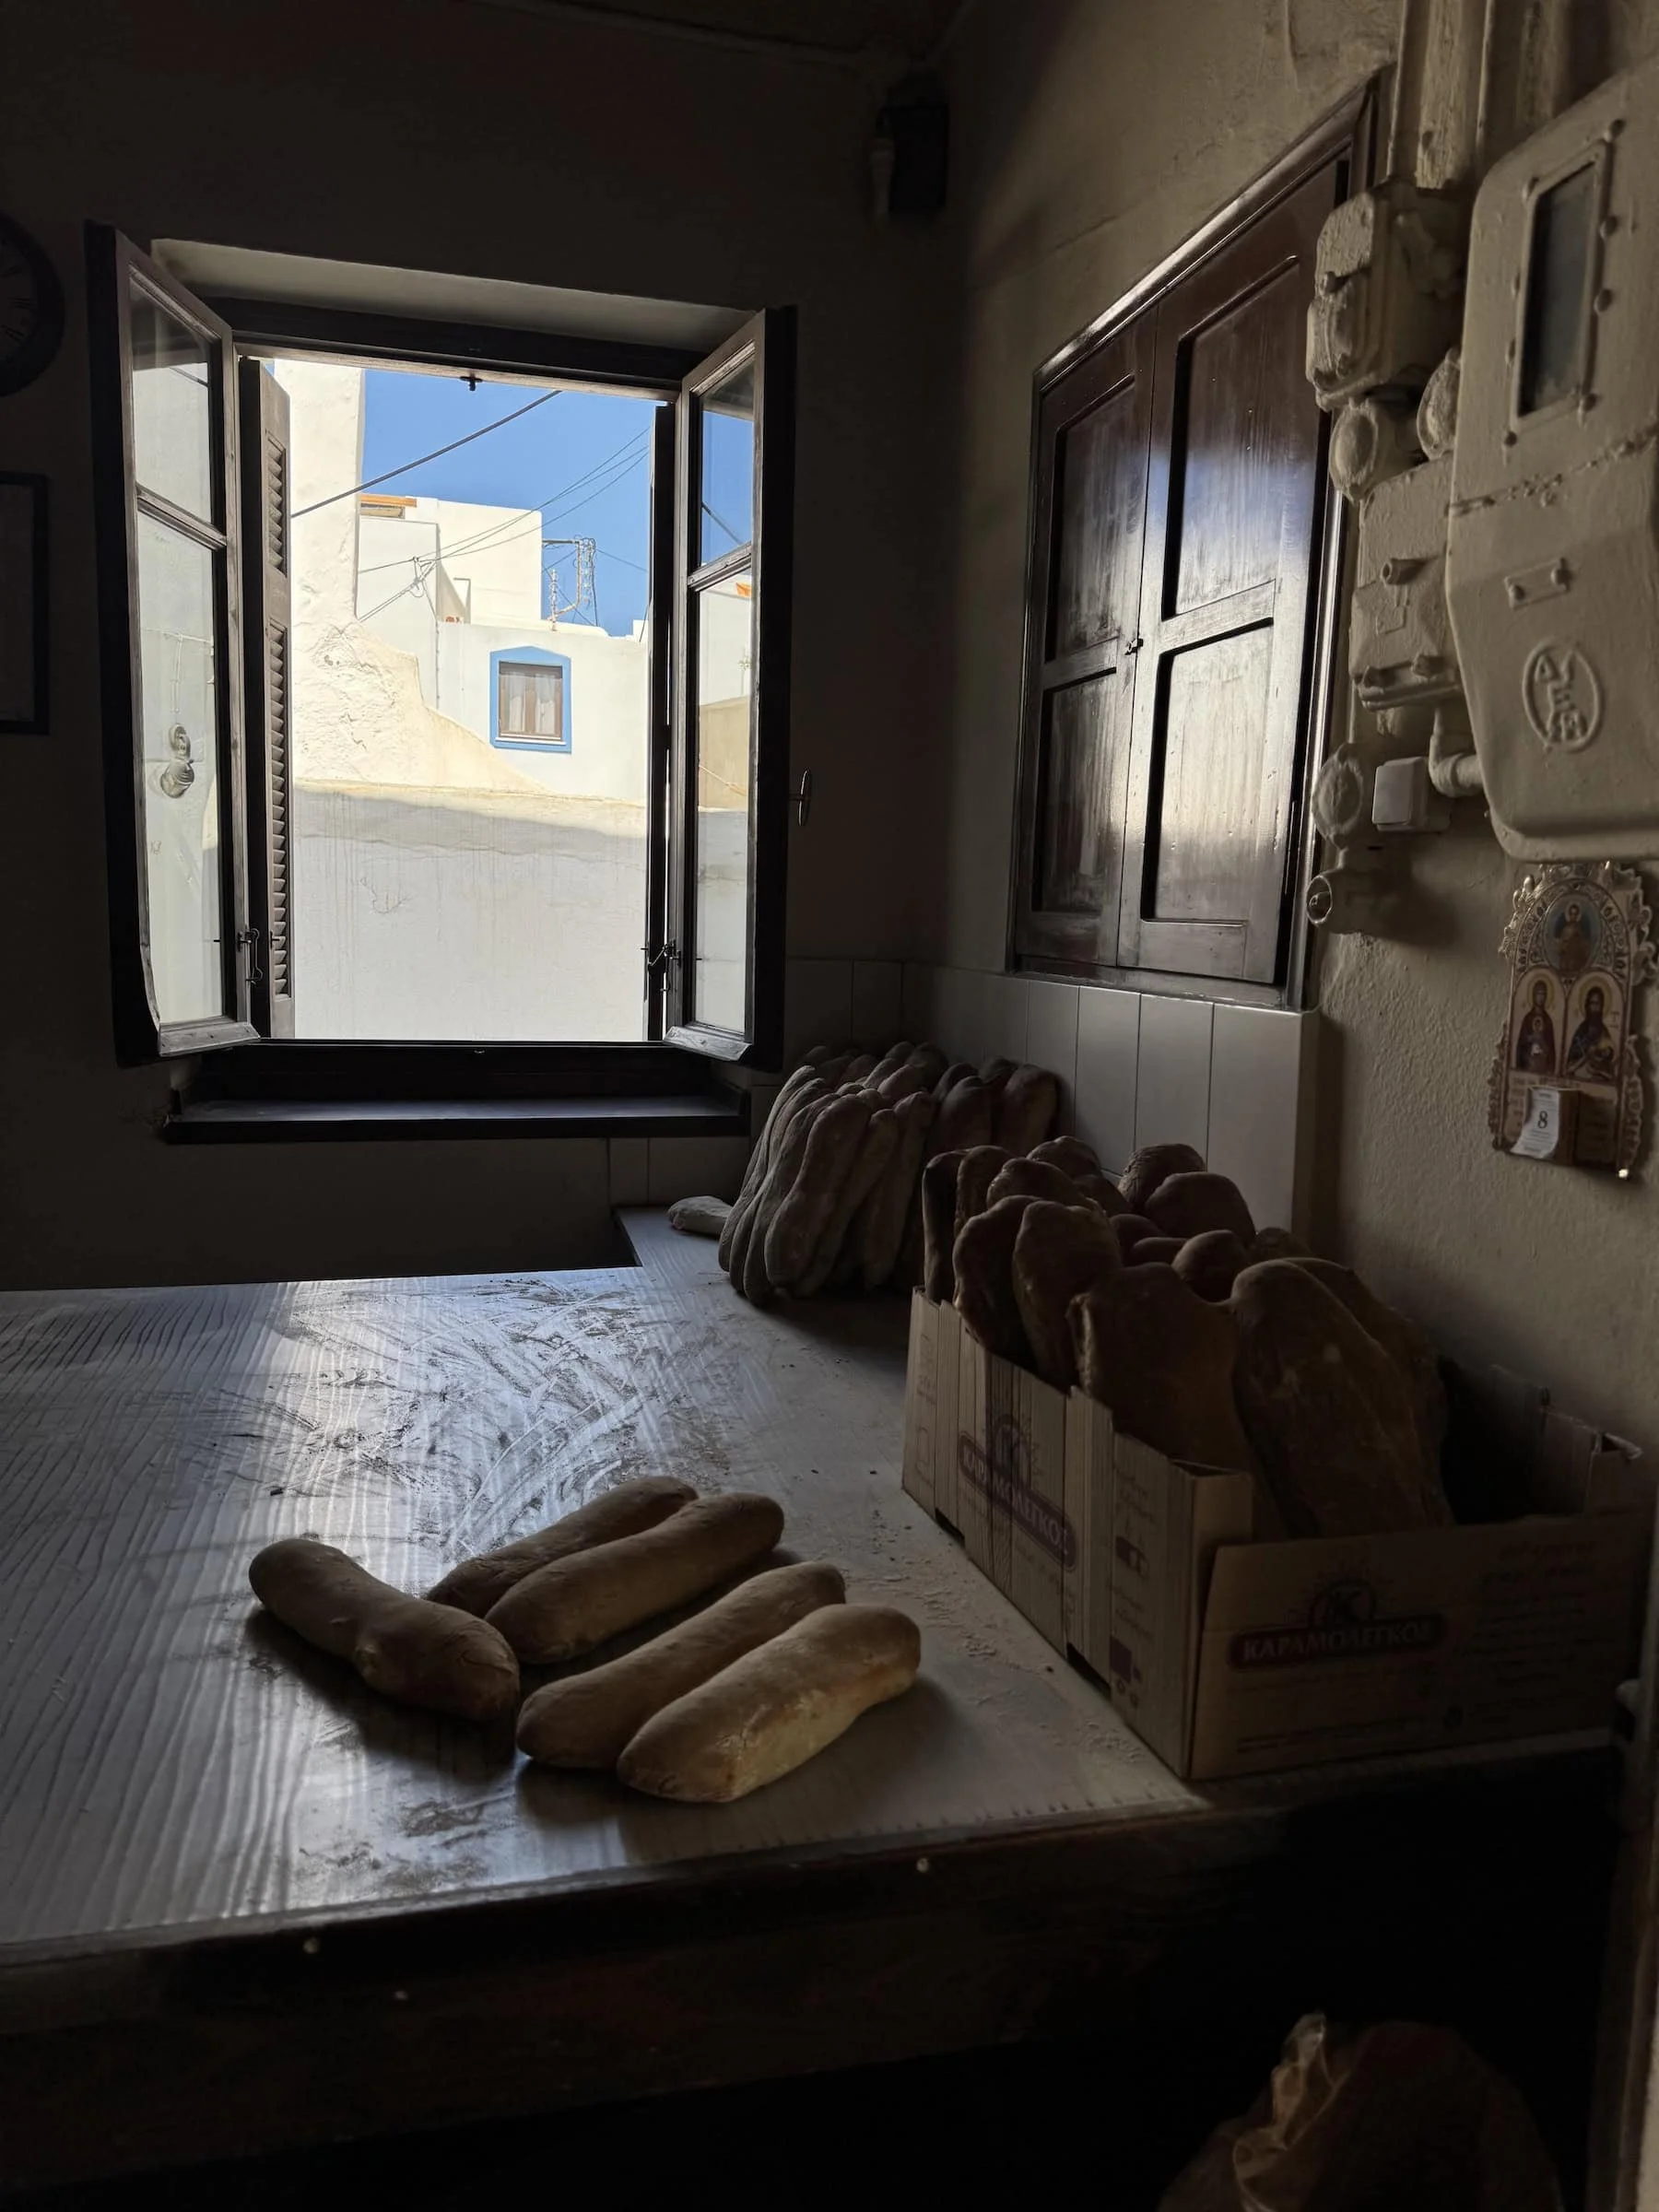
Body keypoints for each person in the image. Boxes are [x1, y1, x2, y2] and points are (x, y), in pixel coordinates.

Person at [1565, 985, 1618, 1082]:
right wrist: (1587, 1054)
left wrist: (1604, 1053)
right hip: (1580, 1072)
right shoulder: (1581, 1030)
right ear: (1588, 1006)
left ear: (1602, 1006)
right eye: (1592, 1003)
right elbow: (1571, 1063)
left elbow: (1609, 1055)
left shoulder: (1603, 1031)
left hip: (1598, 1074)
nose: (1595, 1007)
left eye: (1598, 1004)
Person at [1514, 979, 1556, 1074]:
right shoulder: (1528, 1018)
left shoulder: (1548, 1020)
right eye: (1538, 994)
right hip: (1528, 1064)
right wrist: (1531, 1042)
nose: (1541, 997)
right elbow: (1521, 1043)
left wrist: (1542, 1042)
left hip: (1543, 1065)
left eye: (1543, 994)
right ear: (1534, 995)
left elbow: (1551, 1047)